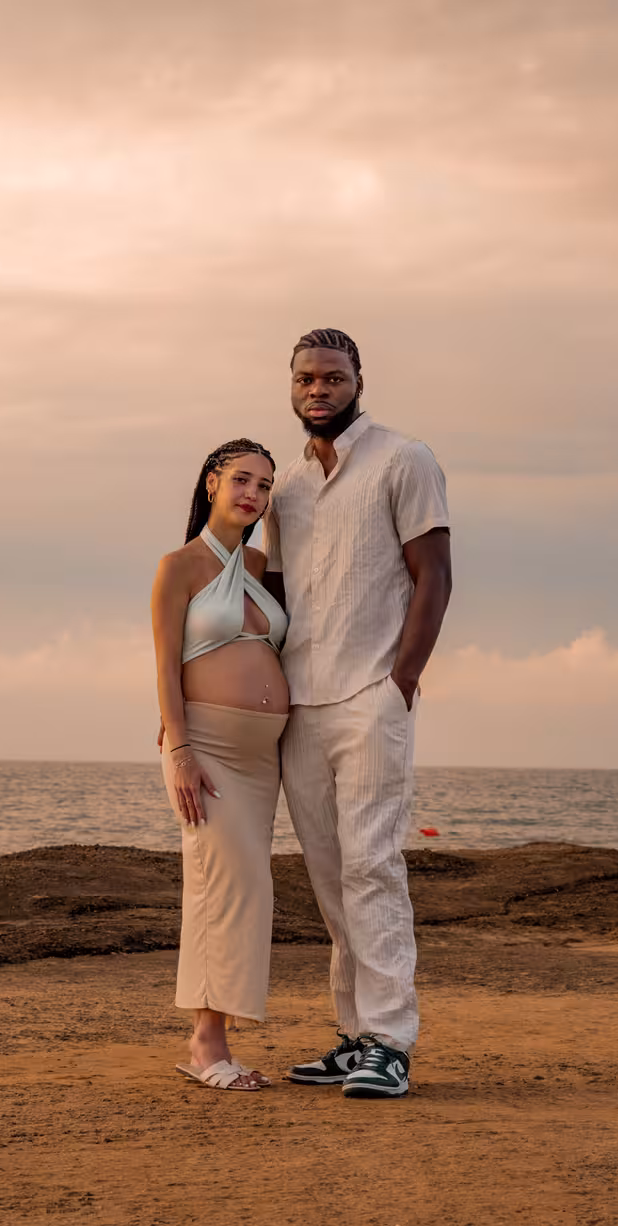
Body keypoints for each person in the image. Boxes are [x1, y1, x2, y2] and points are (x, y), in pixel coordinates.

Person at [262, 328, 453, 1100]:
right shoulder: (286, 491)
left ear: (359, 381)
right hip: (301, 704)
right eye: (306, 378)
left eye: (333, 377)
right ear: (292, 386)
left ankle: (392, 1043)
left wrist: (400, 682)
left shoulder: (405, 460)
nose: (318, 389)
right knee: (329, 876)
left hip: (372, 696)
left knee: (373, 866)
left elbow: (434, 577)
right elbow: (274, 596)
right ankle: (354, 1035)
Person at [150, 438, 289, 1091]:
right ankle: (207, 1044)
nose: (252, 495)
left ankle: (213, 1036)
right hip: (207, 750)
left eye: (263, 487)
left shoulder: (262, 565)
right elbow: (165, 667)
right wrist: (178, 749)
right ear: (210, 483)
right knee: (227, 890)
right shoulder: (178, 567)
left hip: (262, 762)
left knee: (247, 893)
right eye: (241, 479)